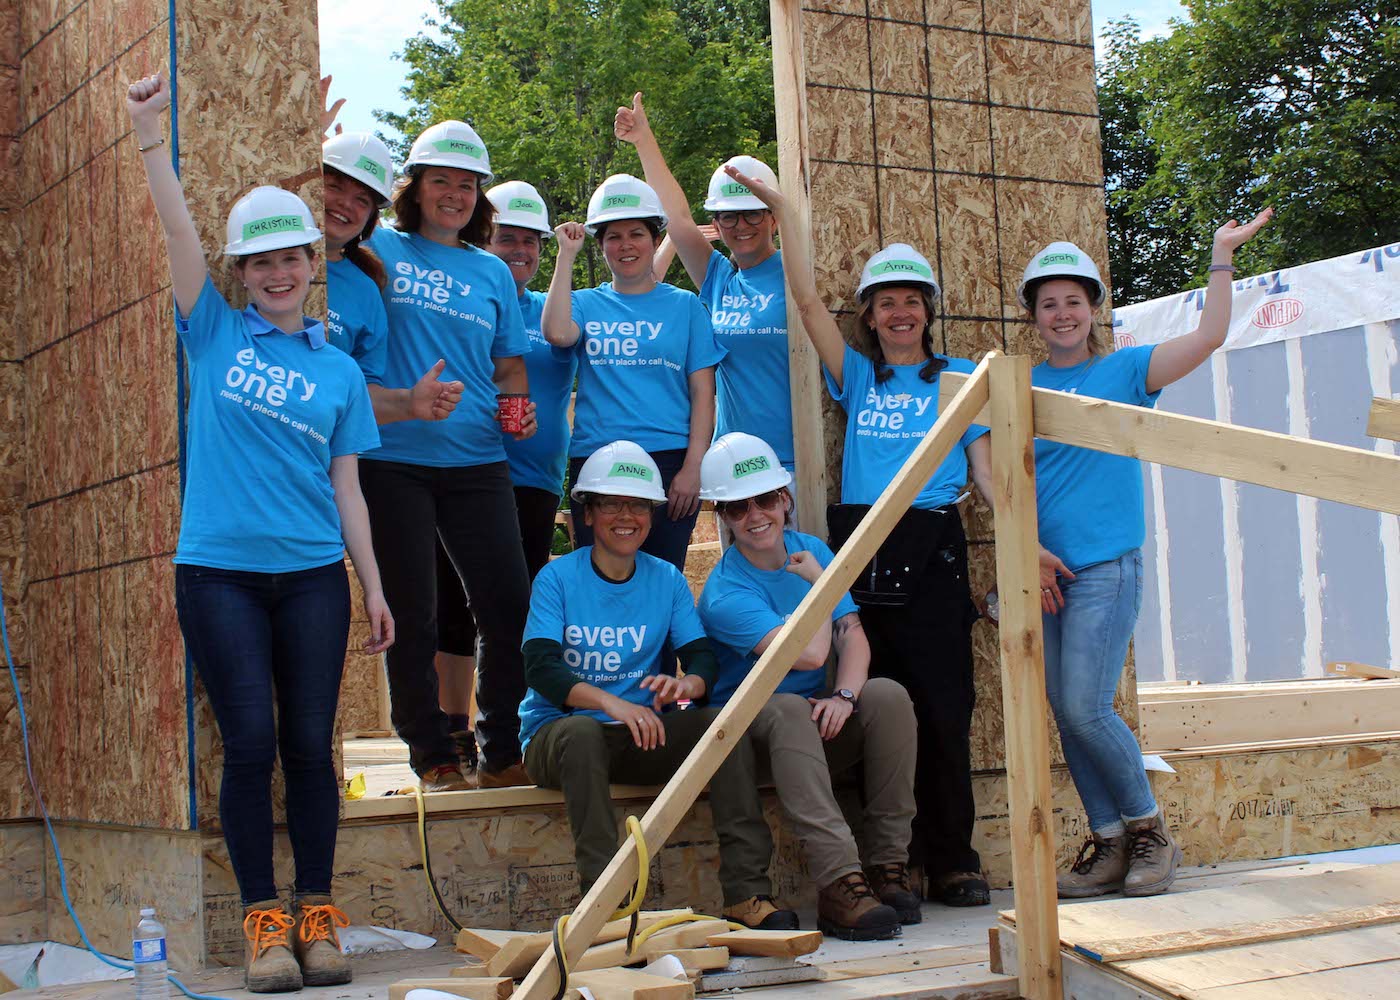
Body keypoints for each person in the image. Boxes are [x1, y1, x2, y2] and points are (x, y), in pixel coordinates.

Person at [128, 74, 389, 991]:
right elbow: (174, 232)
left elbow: (349, 492)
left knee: (311, 746)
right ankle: (265, 925)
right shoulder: (212, 335)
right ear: (242, 274)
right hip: (220, 576)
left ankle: (319, 915)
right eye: (261, 263)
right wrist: (151, 137)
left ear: (313, 264)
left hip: (315, 576)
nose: (277, 274)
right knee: (249, 745)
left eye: (292, 259)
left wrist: (375, 587)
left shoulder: (340, 375)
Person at [722, 163, 997, 907]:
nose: (900, 313)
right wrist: (785, 210)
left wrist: (1022, 539)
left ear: (927, 312)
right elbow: (806, 300)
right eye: (886, 304)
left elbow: (989, 474)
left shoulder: (960, 380)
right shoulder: (859, 379)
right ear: (870, 317)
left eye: (912, 301)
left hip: (932, 547)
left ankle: (953, 860)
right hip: (861, 549)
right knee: (876, 709)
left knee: (942, 711)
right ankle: (888, 865)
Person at [1022, 211, 1272, 899]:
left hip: (1106, 564)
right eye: (1050, 303)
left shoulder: (1129, 369)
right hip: (1046, 572)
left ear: (1093, 309)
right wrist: (1026, 552)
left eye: (1074, 301)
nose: (1063, 313)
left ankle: (1150, 832)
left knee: (1086, 704)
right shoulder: (1022, 387)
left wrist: (1221, 254)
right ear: (1035, 316)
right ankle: (1107, 845)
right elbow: (1001, 474)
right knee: (1063, 708)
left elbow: (1211, 335)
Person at [519, 442, 798, 930]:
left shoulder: (666, 578)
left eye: (638, 505)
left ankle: (746, 894)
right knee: (584, 734)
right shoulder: (557, 577)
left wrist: (684, 689)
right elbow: (541, 668)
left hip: (640, 733)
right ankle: (607, 909)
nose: (626, 516)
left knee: (718, 724)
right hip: (558, 738)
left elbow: (700, 663)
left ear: (652, 516)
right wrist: (611, 703)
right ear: (588, 514)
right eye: (611, 504)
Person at [360, 119, 537, 792]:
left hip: (477, 460)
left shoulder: (490, 269)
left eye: (468, 186)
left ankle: (500, 748)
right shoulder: (380, 248)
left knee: (507, 605)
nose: (456, 195)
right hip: (392, 459)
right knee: (412, 611)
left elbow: (510, 364)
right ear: (414, 188)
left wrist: (518, 407)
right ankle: (431, 750)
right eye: (443, 182)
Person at [697, 433, 920, 939]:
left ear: (785, 499)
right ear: (723, 517)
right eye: (737, 507)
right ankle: (840, 880)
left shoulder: (810, 549)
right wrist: (820, 585)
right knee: (788, 707)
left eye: (766, 499)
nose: (755, 515)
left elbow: (853, 637)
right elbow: (811, 653)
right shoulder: (725, 593)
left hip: (815, 723)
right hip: (757, 740)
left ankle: (887, 866)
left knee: (886, 695)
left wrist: (844, 696)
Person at [431, 180, 578, 776]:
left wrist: (669, 240)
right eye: (505, 238)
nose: (518, 250)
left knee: (512, 610)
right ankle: (453, 735)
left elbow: (632, 283)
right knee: (453, 609)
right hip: (462, 472)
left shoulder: (553, 307)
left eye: (529, 241)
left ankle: (506, 739)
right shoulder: (465, 297)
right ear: (483, 239)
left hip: (535, 481)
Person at [542, 174, 725, 571]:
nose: (626, 245)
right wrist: (566, 256)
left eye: (636, 233)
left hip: (669, 462)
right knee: (600, 578)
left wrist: (693, 467)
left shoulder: (686, 307)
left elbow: (702, 393)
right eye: (613, 236)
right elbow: (556, 333)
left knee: (663, 575)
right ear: (602, 245)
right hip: (597, 460)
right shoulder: (585, 303)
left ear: (655, 240)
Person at [614, 94, 795, 474]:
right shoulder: (719, 280)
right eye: (728, 218)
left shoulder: (797, 275)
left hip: (794, 460)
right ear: (716, 223)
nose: (740, 227)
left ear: (774, 217)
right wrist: (644, 142)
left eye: (751, 215)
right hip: (733, 462)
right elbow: (677, 217)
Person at [320, 129, 467, 427]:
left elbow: (363, 395)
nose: (346, 204)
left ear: (372, 217)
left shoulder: (365, 289)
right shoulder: (265, 260)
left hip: (317, 463)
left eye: (362, 199)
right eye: (334, 186)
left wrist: (410, 402)